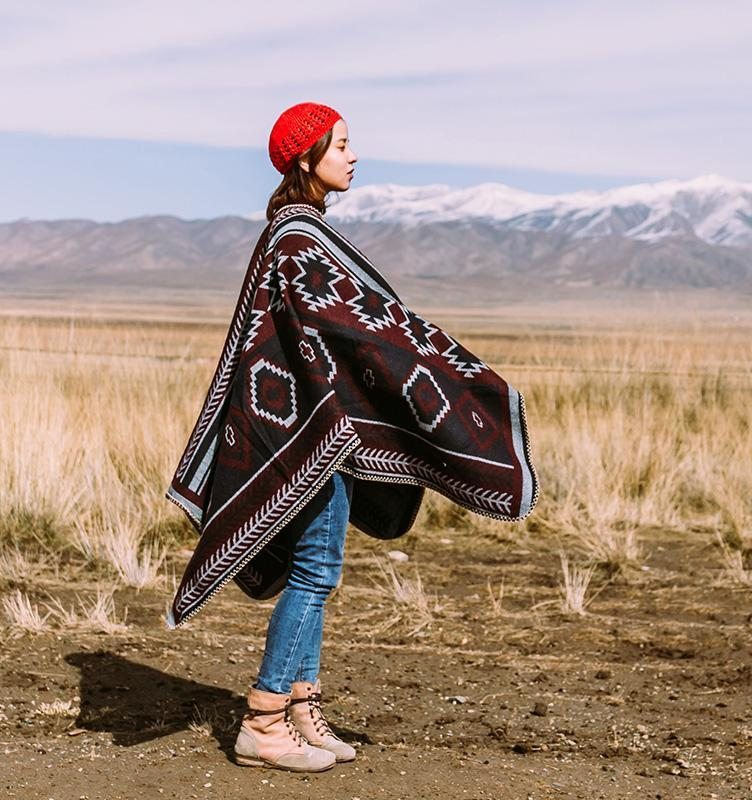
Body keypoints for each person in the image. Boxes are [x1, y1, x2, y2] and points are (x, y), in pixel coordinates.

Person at [164, 101, 539, 774]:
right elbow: (354, 332)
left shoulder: (302, 235)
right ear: (308, 157)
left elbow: (354, 327)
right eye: (341, 143)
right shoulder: (297, 240)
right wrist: (433, 366)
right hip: (310, 435)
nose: (354, 154)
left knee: (318, 573)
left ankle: (302, 710)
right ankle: (264, 720)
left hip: (325, 435)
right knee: (313, 575)